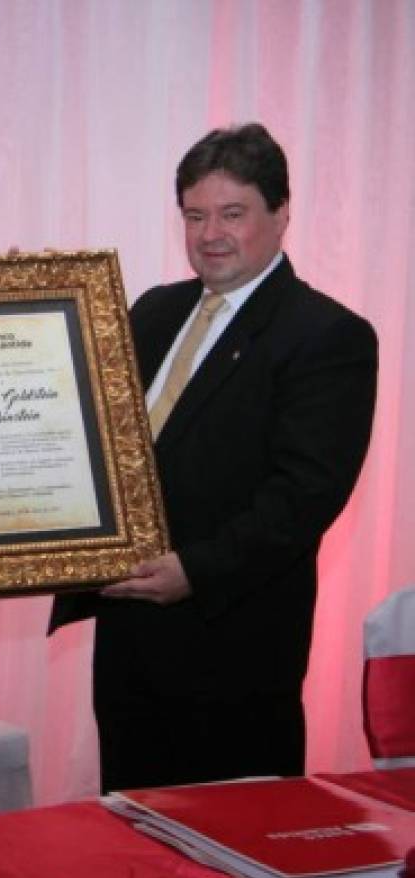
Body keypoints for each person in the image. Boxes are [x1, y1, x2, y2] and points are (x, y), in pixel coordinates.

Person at [50, 123, 378, 792]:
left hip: (232, 646)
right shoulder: (153, 310)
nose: (210, 234)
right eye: (194, 215)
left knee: (231, 861)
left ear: (280, 214)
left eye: (232, 213)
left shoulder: (326, 335)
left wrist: (192, 571)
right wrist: (28, 314)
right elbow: (85, 432)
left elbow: (304, 495)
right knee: (131, 845)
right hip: (127, 637)